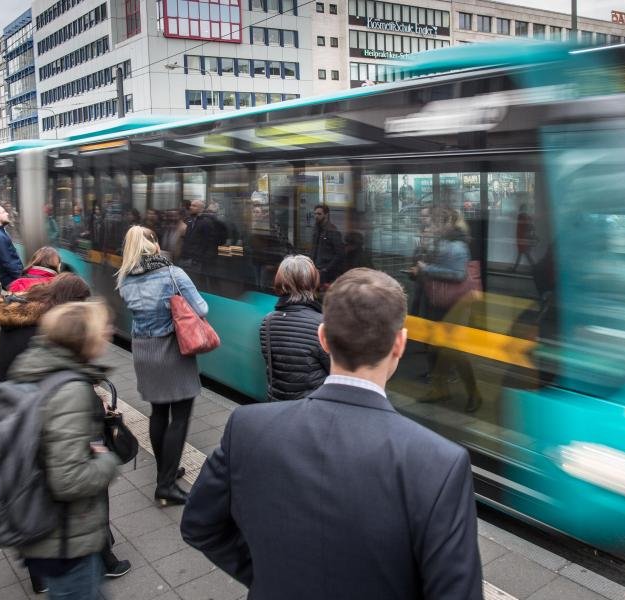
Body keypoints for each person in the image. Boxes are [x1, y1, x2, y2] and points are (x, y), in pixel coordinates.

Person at [181, 268, 483, 600]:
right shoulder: (440, 464)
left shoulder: (247, 428)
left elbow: (199, 525)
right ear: (400, 344)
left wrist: (267, 576)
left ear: (322, 338)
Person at [12, 301, 120, 600]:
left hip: (48, 531)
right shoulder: (69, 389)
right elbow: (68, 479)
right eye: (103, 329)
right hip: (64, 539)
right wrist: (106, 462)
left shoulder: (39, 369)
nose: (109, 333)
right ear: (85, 339)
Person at [117, 226, 206, 506]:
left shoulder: (125, 278)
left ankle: (165, 471)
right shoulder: (172, 274)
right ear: (154, 245)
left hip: (143, 349)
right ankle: (165, 485)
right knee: (179, 417)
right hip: (171, 351)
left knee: (158, 413)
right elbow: (201, 309)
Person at [413, 208, 483, 413]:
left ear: (448, 223)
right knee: (434, 347)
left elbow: (458, 275)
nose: (431, 226)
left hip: (455, 304)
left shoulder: (457, 245)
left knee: (454, 351)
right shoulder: (441, 242)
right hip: (438, 301)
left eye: (435, 223)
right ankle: (439, 390)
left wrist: (426, 269)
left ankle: (474, 393)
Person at [0, 273, 91, 383]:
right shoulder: (45, 327)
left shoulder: (29, 312)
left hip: (7, 385)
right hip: (24, 392)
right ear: (71, 302)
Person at [259, 256, 329, 402]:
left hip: (279, 405)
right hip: (311, 406)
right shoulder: (321, 324)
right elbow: (334, 370)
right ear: (312, 282)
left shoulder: (268, 321)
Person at [181, 200, 227, 270]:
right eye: (191, 205)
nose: (190, 207)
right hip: (190, 256)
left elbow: (209, 241)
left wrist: (204, 256)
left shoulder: (207, 222)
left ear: (201, 209)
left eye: (194, 206)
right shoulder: (189, 220)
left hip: (200, 258)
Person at [0, 204, 24, 289]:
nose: (7, 213)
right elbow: (9, 262)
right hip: (13, 282)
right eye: (3, 212)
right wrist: (23, 279)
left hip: (9, 281)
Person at [310, 204, 344, 285]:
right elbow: (314, 250)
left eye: (319, 214)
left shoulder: (332, 231)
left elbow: (340, 254)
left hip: (327, 272)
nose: (316, 216)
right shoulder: (316, 230)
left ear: (326, 215)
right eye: (315, 214)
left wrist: (326, 268)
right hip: (316, 268)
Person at [512, 203, 536, 272]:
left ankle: (535, 268)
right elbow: (530, 226)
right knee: (524, 253)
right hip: (524, 238)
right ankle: (515, 268)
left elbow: (525, 227)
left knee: (525, 253)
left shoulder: (522, 216)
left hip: (522, 238)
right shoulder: (526, 216)